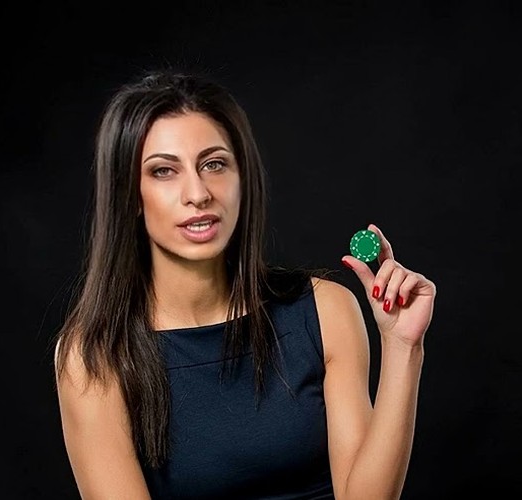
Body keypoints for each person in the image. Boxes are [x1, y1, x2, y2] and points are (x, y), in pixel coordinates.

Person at [54, 70, 437, 499]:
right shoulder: (95, 355)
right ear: (129, 195)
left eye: (214, 164)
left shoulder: (325, 311)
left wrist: (403, 347)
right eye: (164, 171)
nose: (198, 193)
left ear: (243, 178)